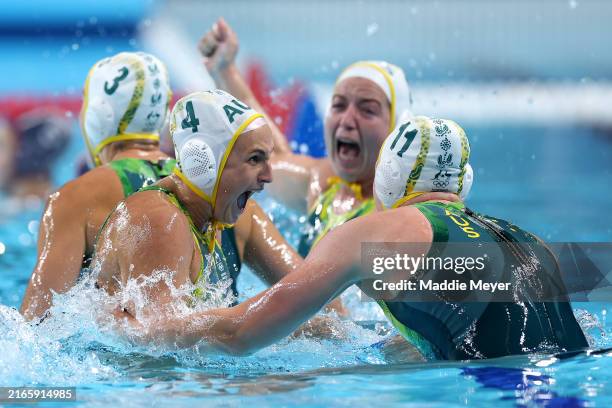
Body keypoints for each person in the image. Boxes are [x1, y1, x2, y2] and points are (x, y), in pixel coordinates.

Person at [109, 116, 587, 360]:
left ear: (387, 177)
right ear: (464, 182)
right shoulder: (530, 244)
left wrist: (146, 332)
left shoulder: (369, 235)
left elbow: (241, 334)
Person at [20, 53, 303, 321]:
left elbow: (37, 326)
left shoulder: (73, 199)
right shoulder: (230, 193)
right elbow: (318, 300)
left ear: (97, 116)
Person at [198, 19, 415, 256]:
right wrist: (225, 70)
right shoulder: (323, 184)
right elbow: (274, 156)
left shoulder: (404, 215)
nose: (347, 120)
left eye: (367, 109)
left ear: (398, 128)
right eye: (339, 105)